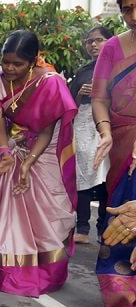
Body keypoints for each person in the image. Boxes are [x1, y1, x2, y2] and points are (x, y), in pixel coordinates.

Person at [0, 30, 77, 297]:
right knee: (13, 213)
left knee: (47, 213)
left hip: (44, 153)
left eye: (18, 64)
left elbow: (46, 132)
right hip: (12, 151)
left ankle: (49, 271)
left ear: (33, 61)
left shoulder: (50, 83)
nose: (10, 69)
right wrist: (5, 152)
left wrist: (27, 165)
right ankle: (16, 271)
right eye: (5, 62)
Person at [92, 0, 136, 307]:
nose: (133, 16)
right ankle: (122, 296)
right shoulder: (112, 48)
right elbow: (99, 98)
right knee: (120, 218)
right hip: (121, 144)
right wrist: (105, 132)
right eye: (128, 8)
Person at [70, 26, 113, 244]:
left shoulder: (119, 67)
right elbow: (70, 103)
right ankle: (83, 228)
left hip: (109, 126)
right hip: (84, 128)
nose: (93, 45)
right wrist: (80, 93)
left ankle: (104, 227)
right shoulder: (84, 71)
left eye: (99, 40)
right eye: (89, 41)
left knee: (107, 177)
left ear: (111, 41)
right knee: (83, 176)